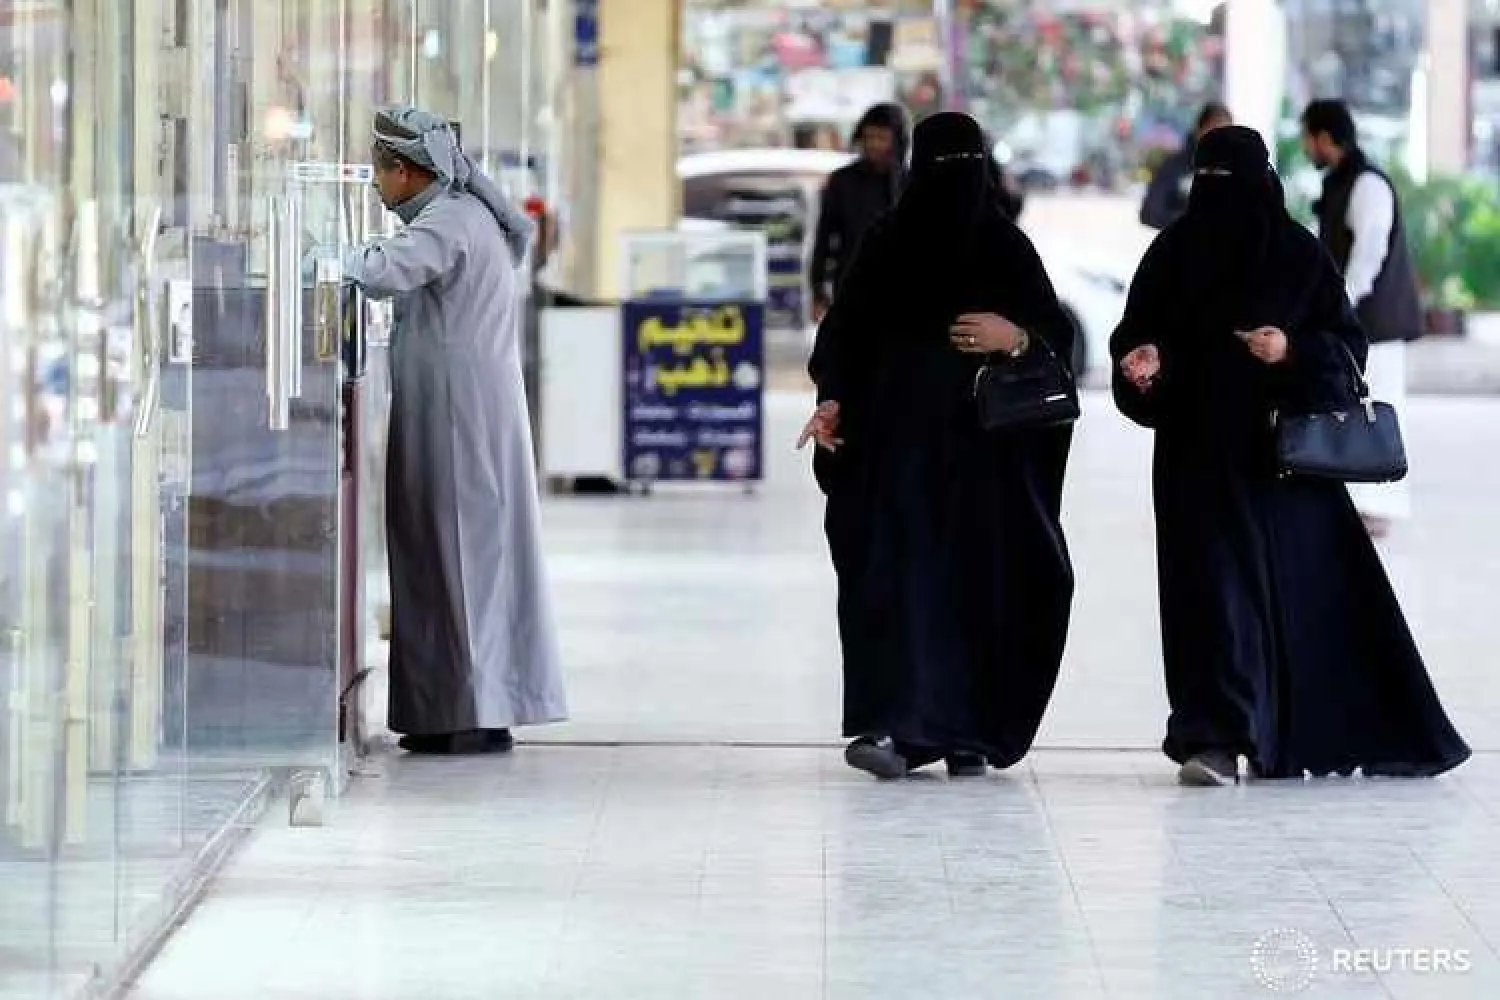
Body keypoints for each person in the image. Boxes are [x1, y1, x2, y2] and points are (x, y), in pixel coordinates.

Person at [1110, 125, 1468, 787]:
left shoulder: (1298, 256)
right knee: (1208, 597)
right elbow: (1135, 337)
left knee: (1292, 601)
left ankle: (1284, 734)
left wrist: (1291, 351)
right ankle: (1215, 736)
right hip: (1195, 456)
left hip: (1282, 462)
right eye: (1209, 181)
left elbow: (1345, 350)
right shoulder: (1171, 255)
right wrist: (1143, 364)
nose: (1221, 198)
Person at [800, 112, 1076, 781]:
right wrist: (832, 400)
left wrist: (1012, 337)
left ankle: (970, 730)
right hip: (896, 455)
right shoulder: (886, 244)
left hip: (986, 463)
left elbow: (1053, 339)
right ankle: (895, 727)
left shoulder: (1005, 249)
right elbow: (844, 336)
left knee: (979, 587)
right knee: (897, 584)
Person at [343, 107, 567, 755]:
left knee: (459, 554)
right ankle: (457, 706)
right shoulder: (462, 214)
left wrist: (321, 257)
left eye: (380, 175)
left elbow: (382, 272)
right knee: (449, 556)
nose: (377, 188)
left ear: (407, 172)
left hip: (458, 418)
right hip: (462, 411)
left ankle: (469, 711)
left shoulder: (450, 220)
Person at [1302, 98, 1423, 537]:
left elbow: (1369, 251)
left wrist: (1343, 302)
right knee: (1354, 407)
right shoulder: (1342, 182)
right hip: (1355, 323)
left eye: (1307, 137)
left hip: (1376, 324)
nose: (1305, 146)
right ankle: (1359, 501)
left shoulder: (1367, 184)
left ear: (1325, 138)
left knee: (1380, 410)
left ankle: (1380, 504)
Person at [808, 104, 909, 323]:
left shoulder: (913, 184)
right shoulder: (842, 182)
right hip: (850, 290)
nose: (874, 145)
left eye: (882, 138)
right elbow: (824, 238)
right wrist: (818, 290)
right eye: (869, 137)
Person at [1139, 101, 1233, 230]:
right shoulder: (1174, 167)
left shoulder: (1237, 173)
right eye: (1214, 130)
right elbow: (1149, 212)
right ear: (1199, 130)